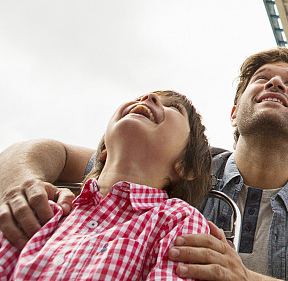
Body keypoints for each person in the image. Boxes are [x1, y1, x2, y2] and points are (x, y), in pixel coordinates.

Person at [0, 48, 288, 281]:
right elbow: (43, 150)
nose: (275, 84)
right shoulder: (176, 160)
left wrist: (244, 278)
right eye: (261, 78)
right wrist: (22, 189)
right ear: (234, 113)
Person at [0, 90, 212, 280]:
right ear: (102, 152)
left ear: (186, 166)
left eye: (174, 107)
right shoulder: (46, 210)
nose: (149, 98)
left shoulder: (179, 220)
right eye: (139, 98)